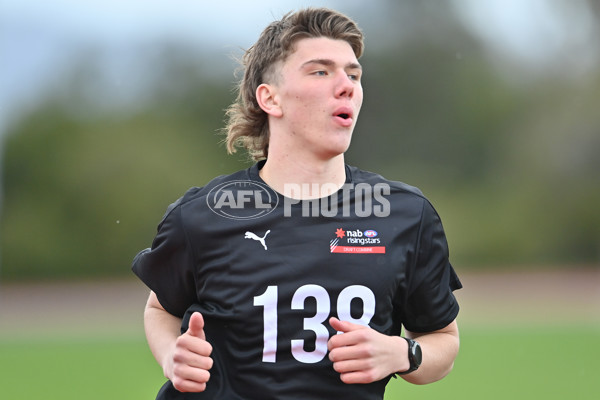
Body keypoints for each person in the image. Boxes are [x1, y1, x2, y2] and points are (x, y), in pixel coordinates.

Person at [132, 7, 462, 400]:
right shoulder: (204, 214)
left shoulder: (405, 214)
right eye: (320, 71)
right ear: (270, 98)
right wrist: (173, 355)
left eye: (353, 74)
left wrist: (403, 353)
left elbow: (442, 338)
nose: (346, 86)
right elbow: (160, 310)